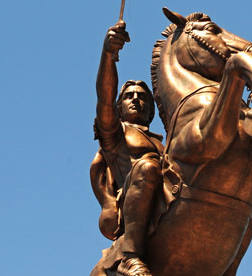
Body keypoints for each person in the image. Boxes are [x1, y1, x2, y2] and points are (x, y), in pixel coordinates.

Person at [90, 20, 164, 276]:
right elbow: (104, 95)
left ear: (152, 110)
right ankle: (129, 256)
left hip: (163, 200)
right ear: (119, 108)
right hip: (131, 196)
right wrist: (109, 54)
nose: (136, 99)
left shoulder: (163, 142)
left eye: (142, 97)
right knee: (147, 167)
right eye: (129, 96)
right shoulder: (115, 135)